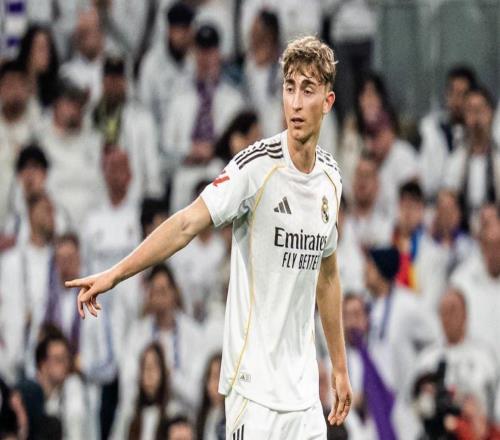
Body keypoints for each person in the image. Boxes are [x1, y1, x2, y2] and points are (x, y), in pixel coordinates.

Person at [67, 36, 352, 438]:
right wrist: (115, 274)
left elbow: (328, 275)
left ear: (327, 101)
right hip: (253, 392)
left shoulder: (330, 179)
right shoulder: (256, 167)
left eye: (308, 90)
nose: (296, 102)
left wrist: (339, 366)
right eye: (289, 88)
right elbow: (186, 224)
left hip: (304, 395)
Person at [126, 342, 171, 440]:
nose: (149, 373)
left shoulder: (173, 412)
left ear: (163, 372)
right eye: (146, 367)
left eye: (154, 366)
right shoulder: (130, 413)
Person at [195, 352, 224, 440]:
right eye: (210, 377)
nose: (213, 384)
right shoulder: (202, 416)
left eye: (217, 377)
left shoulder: (235, 416)